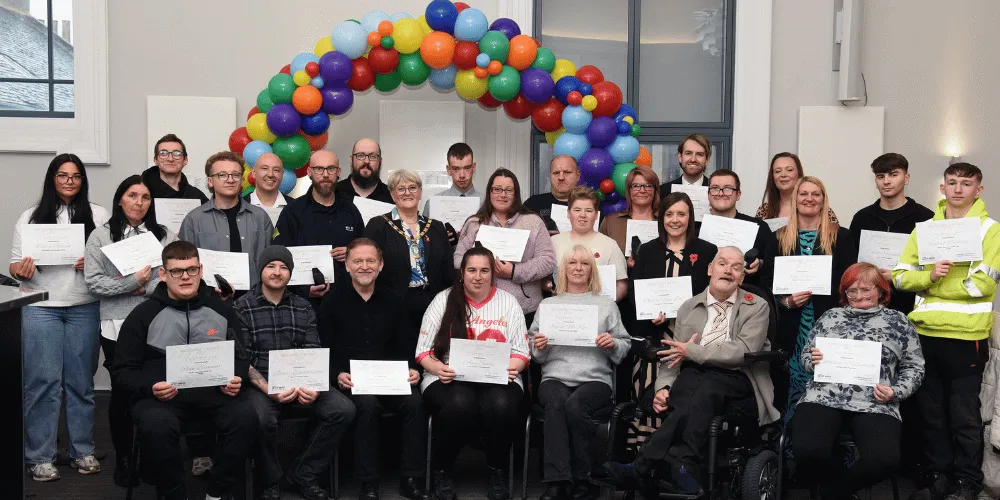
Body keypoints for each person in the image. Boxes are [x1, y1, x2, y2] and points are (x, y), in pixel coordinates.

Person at [595, 246, 779, 495]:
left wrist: (693, 352)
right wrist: (663, 387)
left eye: (736, 267)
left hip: (738, 375)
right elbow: (675, 355)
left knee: (707, 387)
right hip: (694, 373)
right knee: (685, 388)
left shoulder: (757, 306)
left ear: (742, 277)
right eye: (722, 264)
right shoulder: (688, 307)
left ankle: (643, 465)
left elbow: (743, 351)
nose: (728, 270)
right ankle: (682, 464)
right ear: (710, 269)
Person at [112, 241, 256, 500]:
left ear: (201, 270)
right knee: (155, 425)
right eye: (177, 271)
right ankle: (174, 494)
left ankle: (218, 492)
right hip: (162, 398)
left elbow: (241, 357)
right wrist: (150, 387)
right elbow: (122, 371)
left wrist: (237, 377)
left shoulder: (221, 310)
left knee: (246, 417)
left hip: (216, 394)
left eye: (191, 269)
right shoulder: (142, 315)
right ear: (163, 274)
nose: (185, 277)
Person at [893, 163, 1000, 500]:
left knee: (965, 416)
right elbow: (899, 277)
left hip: (967, 336)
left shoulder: (990, 230)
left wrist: (932, 287)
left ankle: (967, 482)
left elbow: (982, 285)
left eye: (966, 184)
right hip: (925, 333)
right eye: (952, 182)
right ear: (942, 188)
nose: (957, 189)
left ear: (978, 190)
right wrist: (929, 276)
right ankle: (937, 478)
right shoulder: (925, 230)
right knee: (932, 414)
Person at [11, 153, 111, 481]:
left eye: (76, 176)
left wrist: (93, 262)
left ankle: (82, 450)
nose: (69, 181)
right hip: (40, 307)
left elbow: (112, 261)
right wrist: (22, 270)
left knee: (81, 383)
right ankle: (40, 457)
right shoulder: (30, 216)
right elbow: (14, 264)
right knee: (42, 384)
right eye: (63, 175)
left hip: (84, 306)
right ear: (52, 179)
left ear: (83, 180)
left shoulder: (98, 214)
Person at [792, 262, 925, 500]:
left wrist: (896, 392)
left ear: (881, 291)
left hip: (875, 401)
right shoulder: (831, 316)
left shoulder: (898, 321)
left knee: (884, 459)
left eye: (866, 289)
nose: (859, 295)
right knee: (808, 450)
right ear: (845, 293)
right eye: (852, 290)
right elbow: (806, 355)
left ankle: (834, 492)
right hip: (824, 396)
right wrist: (812, 360)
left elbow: (914, 366)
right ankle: (835, 487)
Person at [235, 245, 355, 500]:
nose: (277, 272)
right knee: (261, 418)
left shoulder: (303, 307)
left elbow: (313, 349)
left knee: (342, 409)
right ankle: (269, 480)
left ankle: (302, 474)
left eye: (284, 267)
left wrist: (312, 386)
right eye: (271, 266)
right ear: (261, 270)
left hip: (302, 379)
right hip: (261, 383)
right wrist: (271, 390)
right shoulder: (241, 307)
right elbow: (242, 360)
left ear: (290, 273)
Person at [417, 246, 530, 500]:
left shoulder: (508, 302)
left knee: (501, 404)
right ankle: (442, 470)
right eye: (471, 270)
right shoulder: (442, 300)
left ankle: (497, 469)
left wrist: (512, 367)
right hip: (446, 375)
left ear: (493, 274)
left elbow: (522, 352)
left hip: (498, 376)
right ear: (462, 273)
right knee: (460, 402)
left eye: (484, 271)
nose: (478, 277)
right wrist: (438, 368)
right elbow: (423, 351)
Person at [84, 175, 176, 486]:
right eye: (132, 195)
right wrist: (134, 282)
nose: (139, 202)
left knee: (157, 389)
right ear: (120, 200)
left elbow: (169, 278)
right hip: (116, 326)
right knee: (123, 392)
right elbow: (94, 283)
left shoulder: (163, 235)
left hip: (157, 323)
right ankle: (123, 459)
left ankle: (152, 457)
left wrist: (136, 285)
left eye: (145, 197)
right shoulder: (101, 236)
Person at [323, 239, 429, 500]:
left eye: (370, 261)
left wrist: (413, 369)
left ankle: (411, 478)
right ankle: (368, 482)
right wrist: (336, 374)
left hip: (391, 378)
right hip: (352, 380)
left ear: (381, 265)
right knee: (367, 406)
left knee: (415, 403)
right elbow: (323, 347)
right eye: (358, 261)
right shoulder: (332, 301)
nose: (364, 266)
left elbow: (407, 342)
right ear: (347, 266)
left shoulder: (394, 300)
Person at [529, 244, 630, 500]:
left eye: (584, 264)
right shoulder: (548, 305)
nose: (578, 268)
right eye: (572, 263)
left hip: (595, 379)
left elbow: (624, 346)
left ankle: (583, 478)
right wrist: (539, 346)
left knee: (575, 406)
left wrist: (612, 344)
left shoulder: (606, 305)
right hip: (555, 377)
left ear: (592, 271)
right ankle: (557, 481)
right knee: (556, 403)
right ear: (562, 270)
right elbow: (536, 354)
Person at [628, 191, 717, 444]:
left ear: (690, 218)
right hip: (654, 335)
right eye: (669, 214)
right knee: (649, 392)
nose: (675, 220)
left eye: (681, 214)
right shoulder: (647, 251)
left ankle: (675, 453)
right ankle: (645, 450)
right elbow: (634, 292)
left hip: (691, 336)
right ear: (662, 219)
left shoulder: (707, 251)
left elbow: (713, 293)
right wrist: (650, 315)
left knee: (681, 396)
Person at [774, 176, 857, 426]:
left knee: (826, 385)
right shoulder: (779, 237)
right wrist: (786, 301)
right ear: (795, 199)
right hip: (792, 328)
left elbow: (850, 282)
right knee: (791, 386)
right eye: (803, 194)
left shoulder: (842, 236)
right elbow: (767, 283)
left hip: (830, 326)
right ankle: (788, 441)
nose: (809, 199)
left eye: (815, 194)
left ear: (823, 200)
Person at [454, 169, 556, 325]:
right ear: (489, 192)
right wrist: (482, 268)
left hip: (525, 309)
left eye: (509, 190)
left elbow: (548, 261)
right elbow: (458, 259)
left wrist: (514, 271)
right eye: (497, 189)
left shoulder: (533, 222)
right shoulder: (474, 223)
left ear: (516, 194)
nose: (503, 195)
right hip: (480, 309)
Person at [365, 169, 455, 339]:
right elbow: (369, 267)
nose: (407, 193)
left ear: (420, 193)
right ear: (392, 194)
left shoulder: (436, 227)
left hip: (434, 304)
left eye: (412, 187)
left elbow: (447, 270)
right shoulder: (378, 226)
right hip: (393, 305)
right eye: (401, 189)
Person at [274, 150, 364, 306]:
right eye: (319, 169)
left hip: (348, 301)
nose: (325, 174)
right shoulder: (293, 211)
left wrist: (352, 253)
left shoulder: (351, 210)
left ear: (338, 172)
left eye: (331, 169)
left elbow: (366, 250)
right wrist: (302, 290)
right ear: (309, 172)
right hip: (304, 304)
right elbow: (280, 256)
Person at [848, 153, 934, 314]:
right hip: (867, 307)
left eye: (893, 175)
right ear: (875, 181)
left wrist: (897, 276)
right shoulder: (862, 218)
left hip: (912, 307)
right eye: (880, 176)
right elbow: (852, 264)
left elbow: (931, 268)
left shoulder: (925, 218)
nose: (886, 181)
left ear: (906, 178)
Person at [178, 151, 273, 290]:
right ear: (210, 181)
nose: (230, 180)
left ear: (242, 180)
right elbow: (183, 263)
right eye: (222, 175)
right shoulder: (194, 219)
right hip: (210, 296)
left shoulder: (260, 217)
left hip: (254, 297)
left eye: (236, 175)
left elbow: (271, 259)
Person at [550, 186, 628, 301]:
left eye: (588, 210)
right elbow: (544, 280)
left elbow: (621, 285)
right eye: (577, 210)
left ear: (596, 215)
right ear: (568, 213)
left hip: (598, 309)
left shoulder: (609, 245)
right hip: (562, 309)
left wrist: (605, 306)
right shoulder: (553, 242)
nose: (582, 215)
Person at [702, 169, 777, 288]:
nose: (721, 193)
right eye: (715, 188)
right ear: (708, 194)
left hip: (748, 295)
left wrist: (760, 264)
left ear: (738, 195)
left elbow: (774, 266)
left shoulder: (759, 228)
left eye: (728, 188)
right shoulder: (696, 231)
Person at [141, 134, 209, 223]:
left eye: (177, 154)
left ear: (185, 160)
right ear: (155, 160)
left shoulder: (197, 196)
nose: (170, 159)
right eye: (163, 153)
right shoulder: (142, 193)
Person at [599, 165, 661, 262]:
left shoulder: (665, 221)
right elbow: (600, 259)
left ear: (655, 190)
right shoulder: (611, 221)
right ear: (629, 190)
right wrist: (624, 265)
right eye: (636, 186)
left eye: (648, 186)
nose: (642, 190)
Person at [755, 152, 839, 224]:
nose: (783, 175)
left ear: (798, 173)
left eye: (789, 170)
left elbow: (835, 236)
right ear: (772, 177)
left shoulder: (819, 208)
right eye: (778, 171)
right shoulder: (764, 210)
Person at [523, 154, 582, 234]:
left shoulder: (590, 205)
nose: (561, 177)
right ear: (550, 175)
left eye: (567, 172)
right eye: (556, 173)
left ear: (578, 176)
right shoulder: (533, 204)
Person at [423, 142, 481, 215]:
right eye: (456, 169)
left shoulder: (487, 203)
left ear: (473, 168)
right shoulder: (432, 204)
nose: (462, 175)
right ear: (448, 170)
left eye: (467, 168)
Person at [336, 138, 394, 204]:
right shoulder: (335, 192)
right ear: (351, 159)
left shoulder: (392, 196)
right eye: (360, 155)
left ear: (380, 162)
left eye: (372, 156)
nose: (366, 161)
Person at [244, 152, 290, 226]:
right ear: (254, 172)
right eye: (265, 168)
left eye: (276, 170)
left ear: (282, 174)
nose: (270, 174)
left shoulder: (296, 207)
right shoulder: (239, 206)